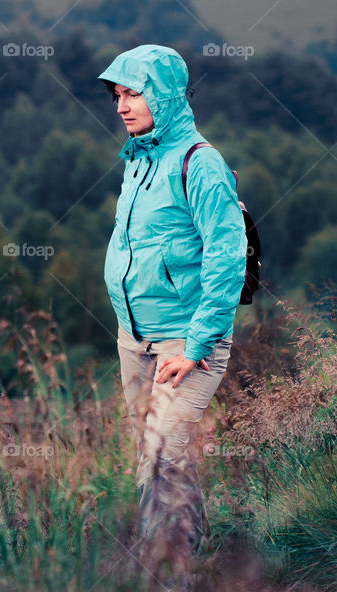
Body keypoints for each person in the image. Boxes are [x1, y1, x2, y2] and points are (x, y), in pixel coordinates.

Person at [97, 45, 246, 587]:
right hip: (134, 340)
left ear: (163, 94)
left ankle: (160, 577)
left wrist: (195, 344)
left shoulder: (198, 163)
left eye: (133, 93)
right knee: (162, 455)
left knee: (157, 465)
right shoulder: (139, 156)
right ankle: (203, 559)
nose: (121, 106)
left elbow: (227, 258)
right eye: (117, 95)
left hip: (186, 345)